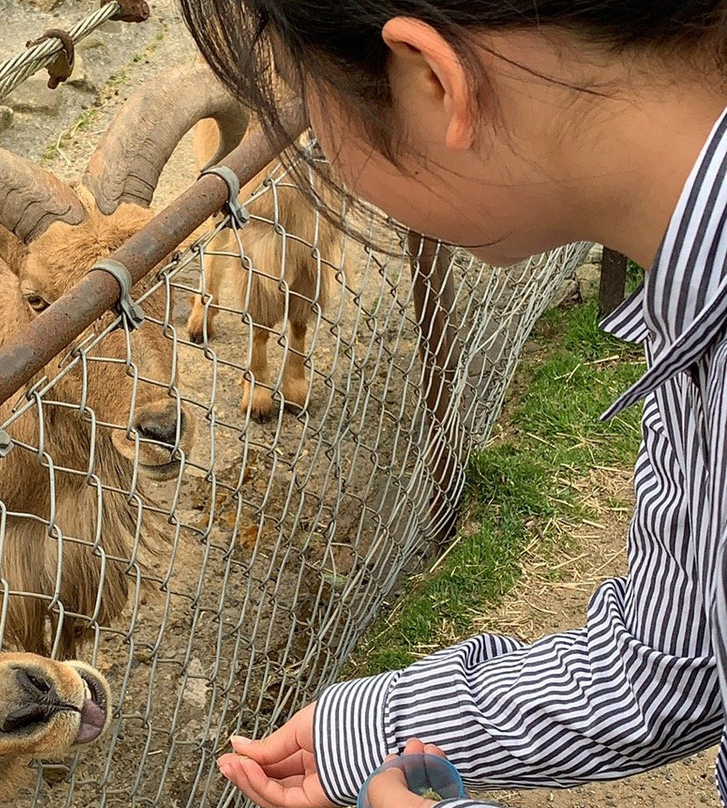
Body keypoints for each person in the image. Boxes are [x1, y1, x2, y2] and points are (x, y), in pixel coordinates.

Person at [174, 2, 727, 807]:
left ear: (435, 82)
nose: (327, 154)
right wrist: (363, 731)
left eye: (316, 122)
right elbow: (673, 664)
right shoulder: (696, 290)